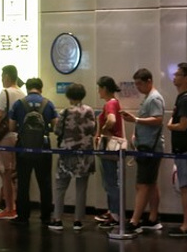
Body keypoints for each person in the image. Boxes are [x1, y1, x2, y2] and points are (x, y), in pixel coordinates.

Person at [121, 68, 165, 233]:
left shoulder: (154, 98)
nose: (138, 87)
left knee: (142, 185)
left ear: (149, 81)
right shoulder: (149, 98)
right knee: (151, 184)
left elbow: (158, 119)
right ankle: (152, 217)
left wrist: (136, 120)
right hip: (148, 146)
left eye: (140, 84)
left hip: (150, 148)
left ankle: (135, 220)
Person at [8, 78, 58, 225]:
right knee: (45, 182)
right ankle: (46, 216)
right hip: (43, 148)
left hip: (23, 148)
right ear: (41, 89)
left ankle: (23, 216)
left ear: (27, 88)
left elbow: (11, 127)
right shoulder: (48, 104)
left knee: (23, 182)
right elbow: (55, 127)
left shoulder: (18, 104)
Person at [48, 83, 96, 231]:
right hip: (85, 153)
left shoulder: (65, 112)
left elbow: (57, 131)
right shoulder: (89, 111)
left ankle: (57, 219)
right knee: (81, 188)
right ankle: (78, 221)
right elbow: (93, 130)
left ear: (69, 96)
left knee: (60, 186)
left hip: (67, 152)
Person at [0, 65, 25, 220]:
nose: (1, 79)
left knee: (6, 175)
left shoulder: (5, 93)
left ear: (8, 76)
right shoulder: (22, 94)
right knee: (11, 174)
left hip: (5, 137)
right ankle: (12, 206)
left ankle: (10, 208)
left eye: (2, 76)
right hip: (17, 136)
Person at [167, 62, 187, 238]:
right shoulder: (185, 98)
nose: (175, 77)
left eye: (178, 74)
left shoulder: (186, 99)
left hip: (185, 148)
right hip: (184, 148)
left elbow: (183, 125)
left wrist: (170, 126)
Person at [95, 76, 126, 229]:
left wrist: (103, 130)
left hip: (108, 147)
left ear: (105, 88)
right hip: (113, 148)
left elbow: (112, 120)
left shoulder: (110, 104)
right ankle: (113, 211)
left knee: (110, 182)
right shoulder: (115, 103)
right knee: (111, 181)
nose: (98, 91)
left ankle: (115, 214)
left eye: (100, 88)